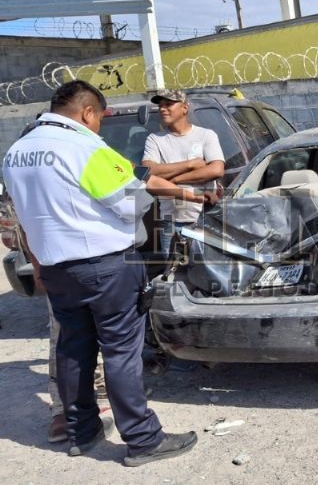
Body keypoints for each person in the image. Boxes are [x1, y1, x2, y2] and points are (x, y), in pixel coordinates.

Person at [2, 80, 202, 466]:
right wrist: (140, 186)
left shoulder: (17, 151)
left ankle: (81, 431)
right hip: (104, 267)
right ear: (88, 112)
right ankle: (143, 439)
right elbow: (130, 204)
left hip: (56, 269)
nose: (98, 130)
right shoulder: (84, 147)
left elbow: (22, 217)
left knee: (73, 349)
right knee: (121, 351)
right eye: (98, 122)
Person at [141, 90, 224, 260]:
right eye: (160, 105)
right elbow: (148, 171)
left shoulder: (205, 135)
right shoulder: (155, 139)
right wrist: (191, 164)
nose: (162, 109)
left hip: (204, 219)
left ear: (185, 108)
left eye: (168, 104)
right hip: (171, 223)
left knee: (207, 271)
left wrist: (171, 179)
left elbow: (216, 170)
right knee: (175, 275)